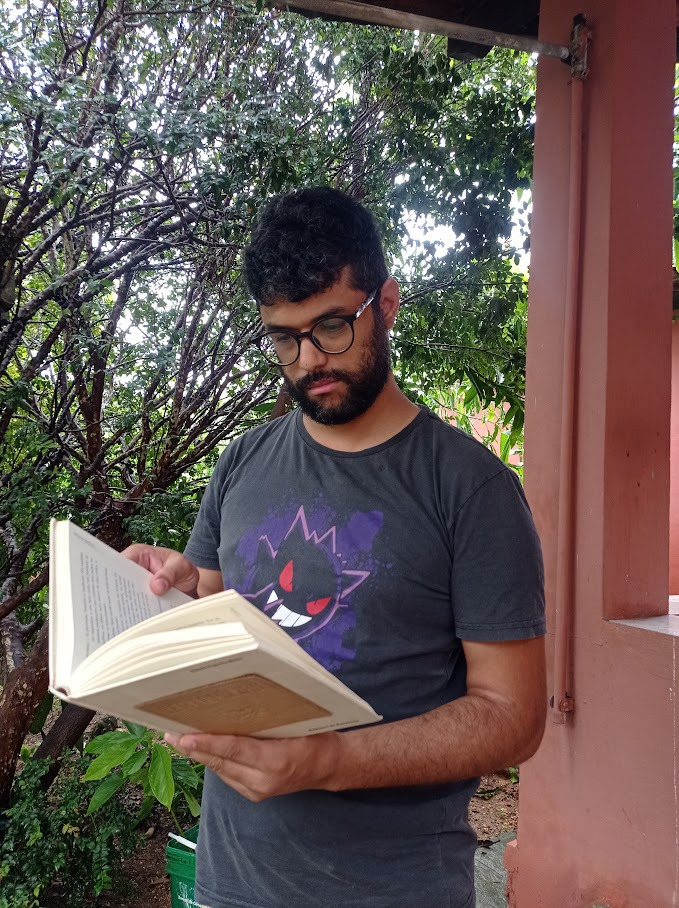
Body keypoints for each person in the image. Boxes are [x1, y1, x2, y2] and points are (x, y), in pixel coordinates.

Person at [124, 187, 546, 908]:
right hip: (234, 880)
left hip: (392, 889)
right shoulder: (242, 462)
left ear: (386, 304)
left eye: (330, 326)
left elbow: (513, 718)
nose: (309, 359)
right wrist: (181, 587)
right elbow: (222, 614)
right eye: (284, 338)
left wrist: (324, 760)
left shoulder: (470, 488)